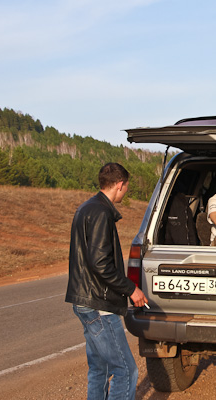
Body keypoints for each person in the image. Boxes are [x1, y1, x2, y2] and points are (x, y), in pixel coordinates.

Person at [66, 162, 148, 400]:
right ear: (120, 185)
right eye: (127, 187)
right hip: (98, 304)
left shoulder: (86, 207)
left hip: (85, 301)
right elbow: (100, 263)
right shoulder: (101, 212)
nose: (126, 191)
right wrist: (131, 289)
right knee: (125, 370)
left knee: (99, 369)